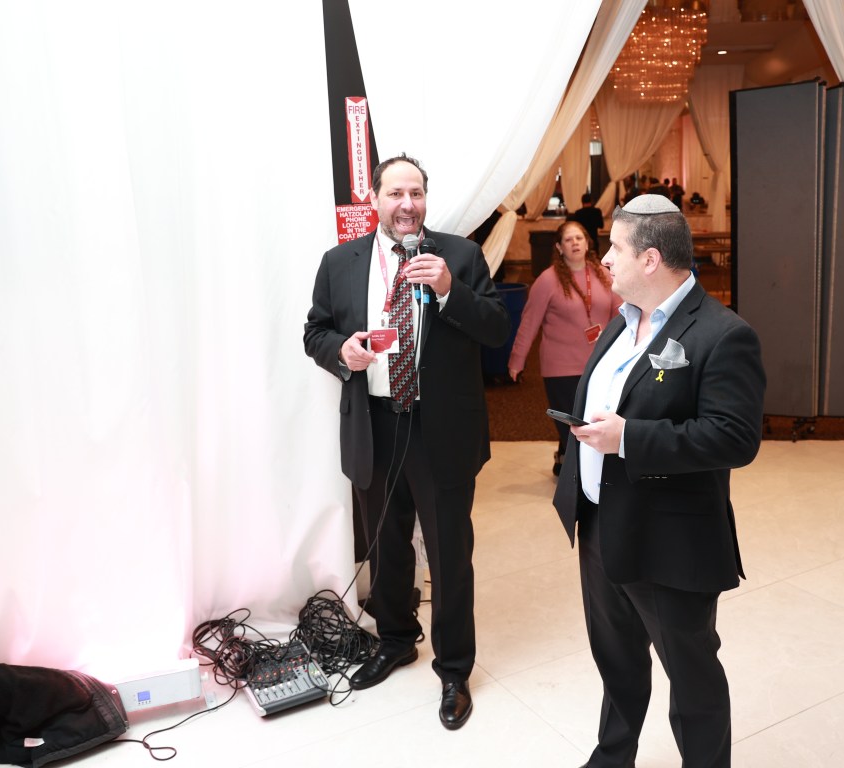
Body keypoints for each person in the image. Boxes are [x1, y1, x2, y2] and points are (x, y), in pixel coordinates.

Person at [552, 194, 766, 767]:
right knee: (617, 661)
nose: (604, 259)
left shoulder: (723, 334)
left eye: (615, 248)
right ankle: (612, 757)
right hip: (601, 526)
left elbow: (734, 438)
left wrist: (629, 438)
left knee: (691, 678)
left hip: (670, 541)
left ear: (650, 259)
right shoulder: (620, 324)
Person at [303, 153, 510, 730]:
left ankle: (454, 669)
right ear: (374, 199)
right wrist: (342, 351)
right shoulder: (339, 262)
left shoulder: (460, 256)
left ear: (425, 199)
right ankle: (396, 640)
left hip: (439, 427)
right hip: (374, 423)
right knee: (386, 544)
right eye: (395, 193)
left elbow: (496, 328)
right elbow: (315, 331)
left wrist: (448, 290)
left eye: (416, 193)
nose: (407, 204)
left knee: (448, 553)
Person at [507, 221, 620, 476]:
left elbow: (620, 313)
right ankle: (578, 475)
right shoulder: (548, 280)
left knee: (593, 420)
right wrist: (517, 359)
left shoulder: (604, 274)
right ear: (559, 247)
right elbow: (529, 322)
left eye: (579, 238)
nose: (575, 243)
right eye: (568, 240)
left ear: (588, 243)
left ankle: (564, 461)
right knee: (573, 424)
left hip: (598, 365)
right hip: (561, 368)